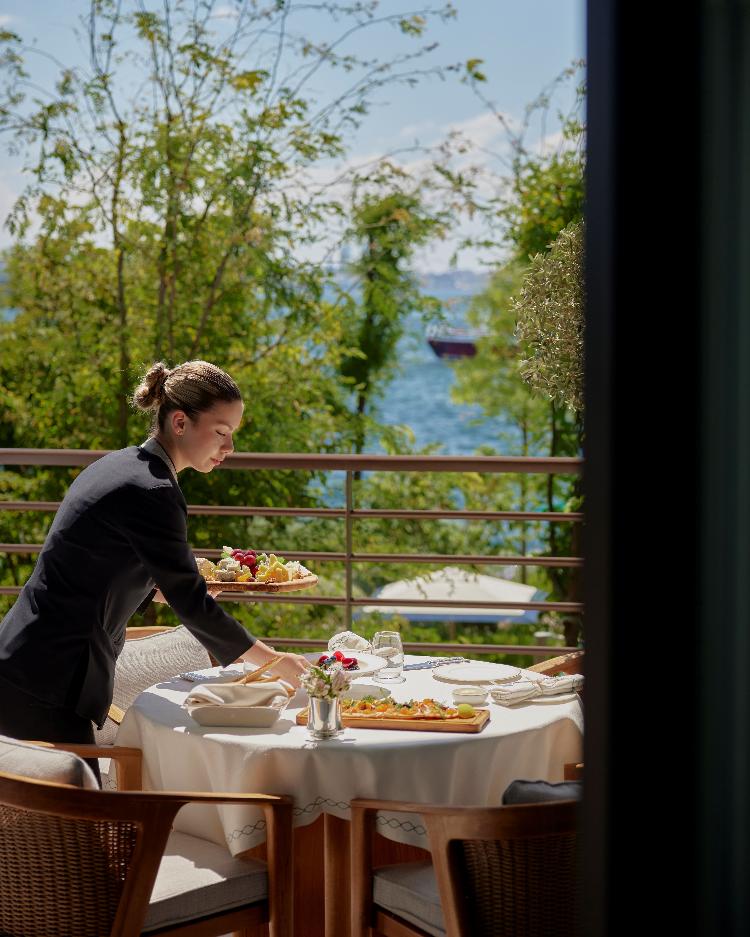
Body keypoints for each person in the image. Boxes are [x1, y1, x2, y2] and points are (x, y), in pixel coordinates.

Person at [0, 360, 309, 779]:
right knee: (78, 810)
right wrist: (273, 660)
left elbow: (95, 565)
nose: (230, 447)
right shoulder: (154, 491)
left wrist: (157, 590)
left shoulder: (120, 466)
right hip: (47, 680)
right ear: (180, 422)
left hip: (25, 661)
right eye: (221, 432)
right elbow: (192, 606)